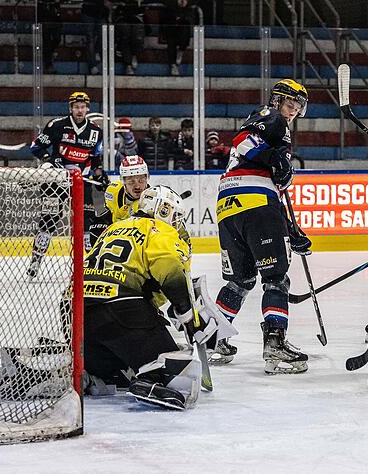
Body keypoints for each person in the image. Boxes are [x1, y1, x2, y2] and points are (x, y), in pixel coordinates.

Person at [212, 79, 312, 374]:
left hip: (228, 207)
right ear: (278, 100)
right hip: (256, 203)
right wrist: (274, 157)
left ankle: (214, 337)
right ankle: (275, 344)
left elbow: (272, 183)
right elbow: (242, 141)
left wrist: (289, 228)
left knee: (241, 280)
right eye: (290, 103)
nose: (293, 111)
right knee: (276, 279)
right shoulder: (272, 117)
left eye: (298, 107)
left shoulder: (274, 126)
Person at [83, 185, 208, 410]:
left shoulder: (114, 227)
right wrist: (189, 317)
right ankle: (152, 378)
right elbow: (170, 270)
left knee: (117, 368)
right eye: (175, 215)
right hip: (120, 309)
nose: (176, 222)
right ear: (163, 210)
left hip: (77, 314)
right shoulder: (159, 229)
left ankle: (92, 371)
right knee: (177, 369)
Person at [27, 91, 108, 278]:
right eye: (76, 107)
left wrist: (99, 173)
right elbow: (35, 147)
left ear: (88, 108)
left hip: (81, 181)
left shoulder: (96, 131)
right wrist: (48, 159)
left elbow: (95, 157)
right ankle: (35, 261)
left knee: (87, 222)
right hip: (56, 181)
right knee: (49, 220)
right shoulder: (56, 125)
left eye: (83, 107)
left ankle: (89, 265)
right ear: (70, 108)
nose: (79, 110)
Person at [161, 0, 195, 76]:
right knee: (171, 42)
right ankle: (173, 65)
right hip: (171, 19)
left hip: (185, 19)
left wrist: (187, 3)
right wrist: (175, 3)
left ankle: (181, 50)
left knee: (184, 34)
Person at [114, 1, 145, 75]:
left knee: (137, 37)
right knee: (125, 37)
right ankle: (128, 65)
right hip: (122, 18)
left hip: (136, 19)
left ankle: (134, 55)